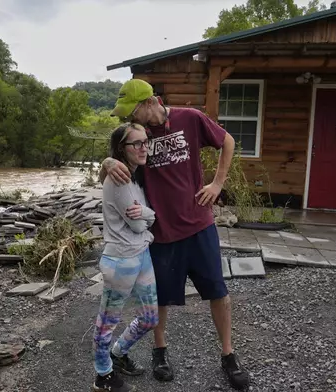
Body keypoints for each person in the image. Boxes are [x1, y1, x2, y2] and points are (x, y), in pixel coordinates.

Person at [99, 79, 251, 391]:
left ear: (150, 102)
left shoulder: (190, 118)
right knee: (162, 298)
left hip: (199, 225)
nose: (131, 119)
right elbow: (111, 159)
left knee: (217, 291)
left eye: (133, 111)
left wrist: (218, 183)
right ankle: (160, 352)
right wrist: (108, 161)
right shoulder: (137, 137)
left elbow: (228, 141)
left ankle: (228, 354)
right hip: (162, 232)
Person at [92, 122, 159, 392]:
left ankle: (118, 354)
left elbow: (144, 218)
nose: (144, 148)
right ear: (122, 148)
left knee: (150, 317)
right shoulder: (118, 178)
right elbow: (138, 225)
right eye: (137, 143)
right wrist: (150, 214)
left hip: (141, 254)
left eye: (146, 142)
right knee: (107, 321)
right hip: (120, 260)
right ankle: (102, 374)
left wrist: (146, 213)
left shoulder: (136, 174)